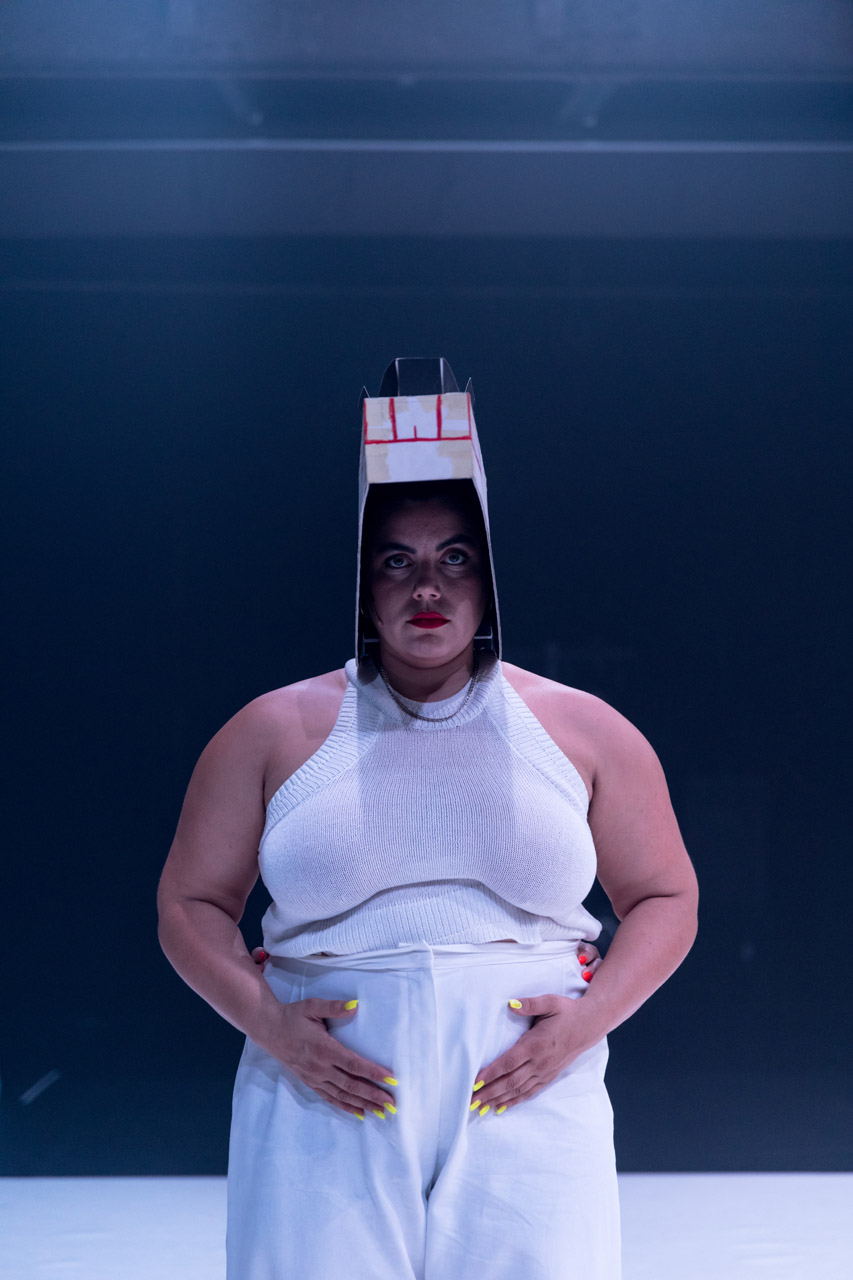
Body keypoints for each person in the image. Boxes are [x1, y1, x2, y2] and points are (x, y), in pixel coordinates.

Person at [157, 357, 698, 1279]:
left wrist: (584, 1026)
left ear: (488, 580)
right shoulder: (272, 730)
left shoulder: (581, 728)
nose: (426, 588)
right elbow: (188, 904)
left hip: (530, 1072)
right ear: (361, 584)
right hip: (324, 1076)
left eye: (454, 559)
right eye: (396, 562)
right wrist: (271, 1027)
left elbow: (665, 896)